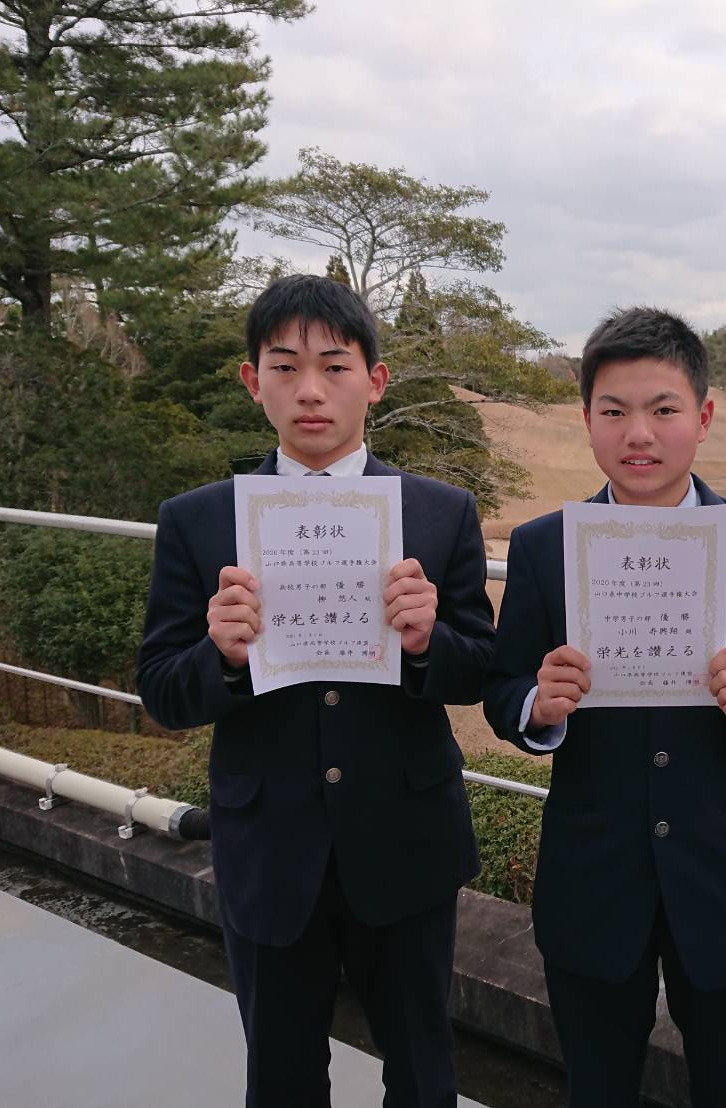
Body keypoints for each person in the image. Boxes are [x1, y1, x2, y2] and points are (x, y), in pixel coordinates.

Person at [138, 275, 493, 1108]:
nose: (308, 390)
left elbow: (479, 669)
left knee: (422, 1067)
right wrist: (221, 654)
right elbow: (161, 689)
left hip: (406, 839)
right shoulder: (196, 519)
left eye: (334, 366)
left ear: (374, 380)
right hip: (268, 846)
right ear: (249, 379)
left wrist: (424, 641)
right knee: (284, 1075)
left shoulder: (440, 513)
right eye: (284, 365)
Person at [483, 307, 726, 1108]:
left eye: (663, 409)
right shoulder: (543, 546)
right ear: (586, 420)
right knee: (597, 1087)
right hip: (592, 875)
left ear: (702, 418)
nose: (637, 433)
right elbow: (503, 688)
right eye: (613, 411)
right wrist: (541, 702)